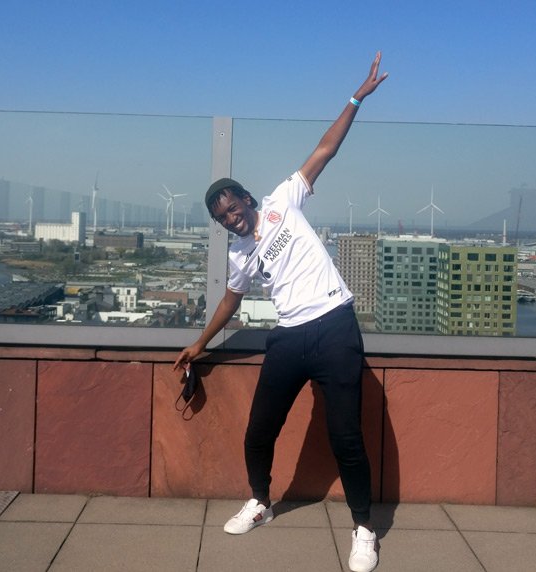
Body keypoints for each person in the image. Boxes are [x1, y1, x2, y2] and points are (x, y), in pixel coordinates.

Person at [174, 52, 388, 572]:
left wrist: (356, 97)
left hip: (335, 326)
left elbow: (325, 150)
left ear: (248, 198)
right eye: (224, 219)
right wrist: (199, 345)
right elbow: (230, 300)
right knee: (258, 430)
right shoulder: (241, 256)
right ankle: (261, 502)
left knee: (346, 436)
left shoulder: (282, 201)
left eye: (235, 208)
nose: (234, 219)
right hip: (290, 337)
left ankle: (363, 528)